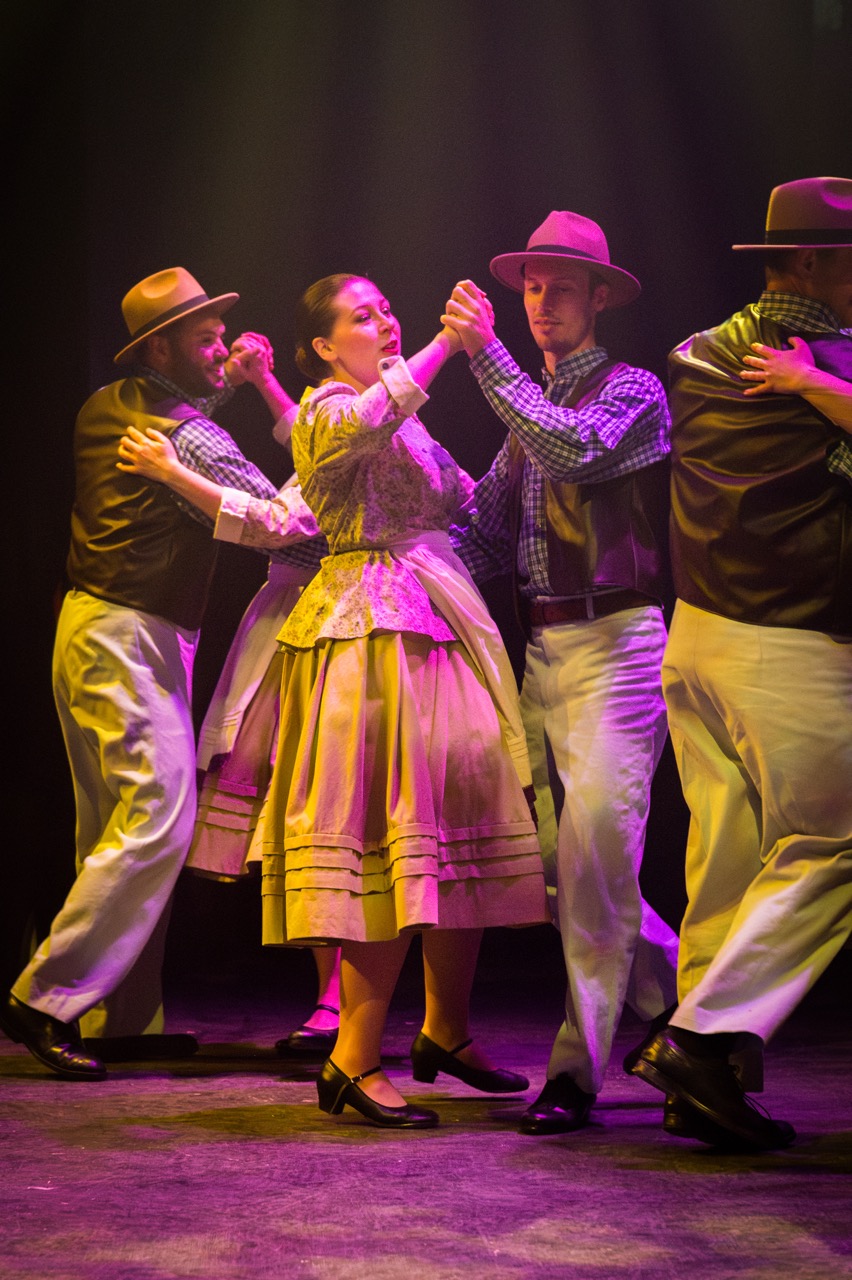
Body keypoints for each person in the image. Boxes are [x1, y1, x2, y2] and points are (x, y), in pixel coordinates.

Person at [119, 271, 548, 1127]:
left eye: (390, 308)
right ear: (322, 346)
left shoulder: (410, 417)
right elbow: (356, 430)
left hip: (438, 618)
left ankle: (447, 1032)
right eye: (363, 316)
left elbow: (471, 504)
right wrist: (447, 349)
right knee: (389, 836)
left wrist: (528, 403)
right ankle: (352, 1059)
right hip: (368, 634)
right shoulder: (322, 409)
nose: (385, 322)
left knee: (455, 824)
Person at [0, 267, 318, 1080]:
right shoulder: (187, 435)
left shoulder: (108, 407)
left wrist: (241, 385)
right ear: (162, 348)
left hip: (97, 625)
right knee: (158, 813)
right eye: (206, 338)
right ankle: (44, 997)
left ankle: (114, 1016)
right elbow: (290, 534)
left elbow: (195, 437)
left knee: (114, 818)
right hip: (131, 630)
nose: (221, 347)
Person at [443, 210, 680, 1136]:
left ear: (599, 298)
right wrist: (384, 562)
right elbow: (486, 531)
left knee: (593, 864)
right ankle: (687, 1003)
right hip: (540, 651)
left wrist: (487, 360)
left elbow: (573, 452)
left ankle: (576, 1073)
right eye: (531, 287)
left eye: (561, 288)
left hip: (618, 644)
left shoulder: (634, 390)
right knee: (552, 867)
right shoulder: (525, 415)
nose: (541, 303)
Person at [632, 176, 852, 1151]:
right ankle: (699, 1041)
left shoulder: (695, 353)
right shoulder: (829, 357)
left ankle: (703, 1090)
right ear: (812, 263)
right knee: (834, 845)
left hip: (700, 635)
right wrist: (822, 386)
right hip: (792, 637)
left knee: (725, 856)